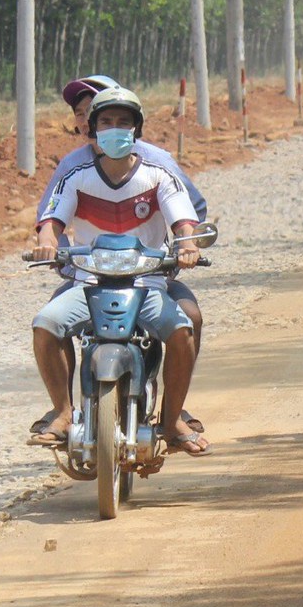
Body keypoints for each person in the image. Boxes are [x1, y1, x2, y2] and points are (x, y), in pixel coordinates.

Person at [29, 87, 209, 457]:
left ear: (137, 129)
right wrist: (47, 240)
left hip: (149, 282)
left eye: (123, 123)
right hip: (89, 282)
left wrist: (188, 246)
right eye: (106, 123)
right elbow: (52, 219)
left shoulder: (159, 173)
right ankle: (63, 413)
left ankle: (173, 418)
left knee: (181, 330)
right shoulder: (75, 175)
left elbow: (184, 220)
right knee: (46, 324)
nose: (115, 130)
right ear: (92, 129)